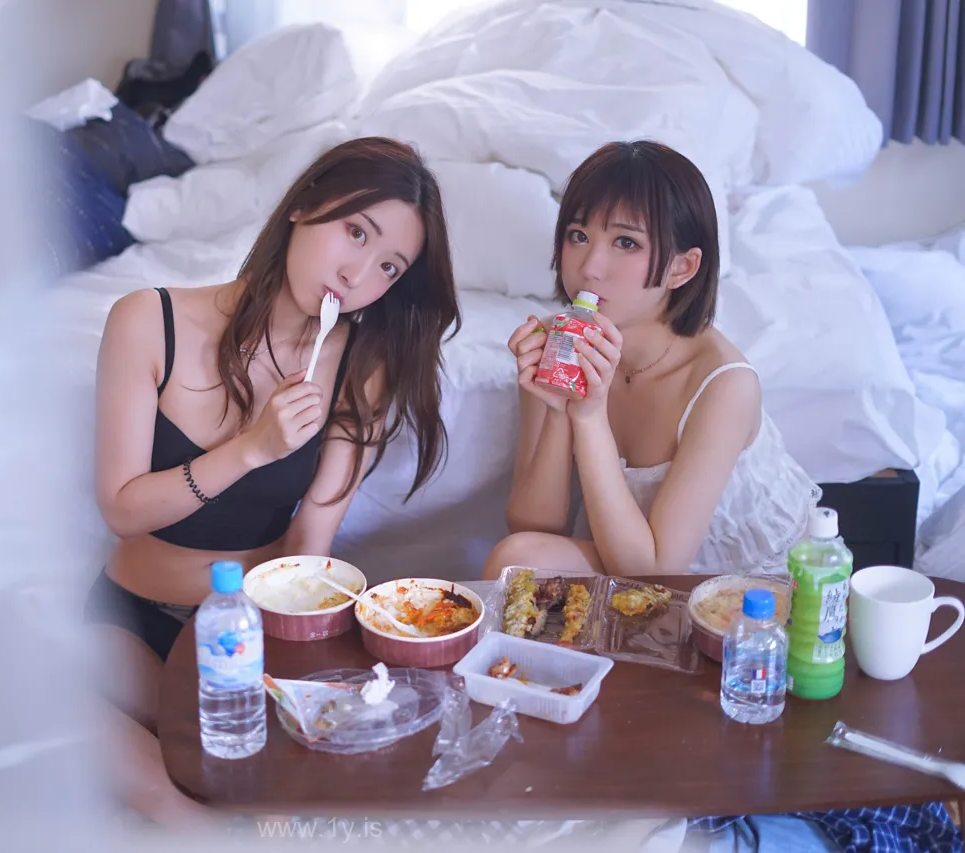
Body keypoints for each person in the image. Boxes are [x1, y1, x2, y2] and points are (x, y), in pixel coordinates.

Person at [88, 136, 460, 824]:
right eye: (355, 232)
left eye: (388, 266)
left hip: (254, 629)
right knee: (55, 685)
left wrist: (286, 668)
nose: (356, 274)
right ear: (304, 206)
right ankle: (191, 824)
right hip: (134, 617)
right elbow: (121, 509)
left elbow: (309, 544)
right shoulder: (148, 320)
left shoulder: (362, 365)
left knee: (250, 756)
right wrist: (251, 449)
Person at [485, 140, 820, 581]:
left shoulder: (724, 385)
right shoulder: (558, 342)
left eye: (625, 242)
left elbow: (656, 570)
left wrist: (589, 417)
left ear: (682, 268)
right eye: (578, 235)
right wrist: (558, 411)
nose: (591, 266)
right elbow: (535, 528)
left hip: (742, 589)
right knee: (513, 559)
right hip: (628, 554)